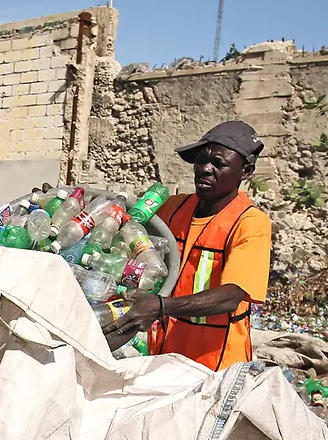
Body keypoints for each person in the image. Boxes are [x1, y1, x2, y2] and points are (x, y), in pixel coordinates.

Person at [107, 120, 271, 371]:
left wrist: (160, 307)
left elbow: (231, 296)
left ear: (246, 171)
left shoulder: (249, 223)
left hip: (214, 367)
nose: (204, 169)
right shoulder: (174, 209)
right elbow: (122, 223)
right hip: (163, 358)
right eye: (201, 160)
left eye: (218, 163)